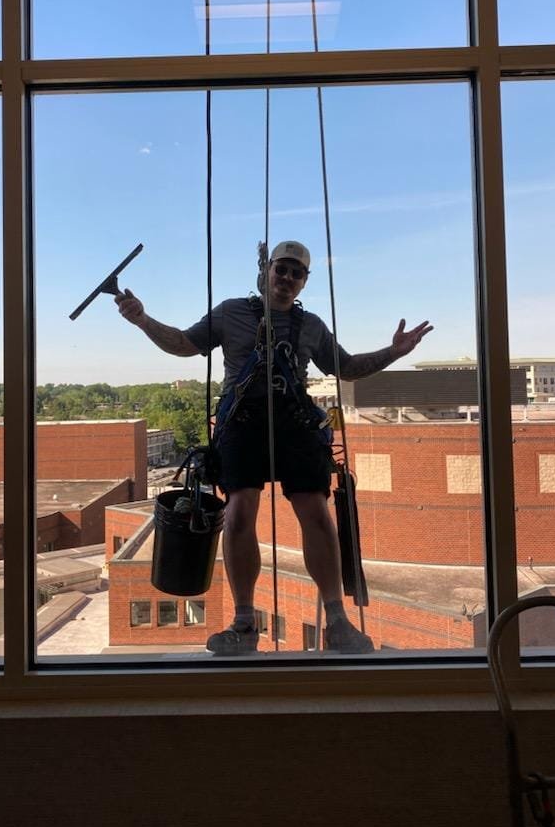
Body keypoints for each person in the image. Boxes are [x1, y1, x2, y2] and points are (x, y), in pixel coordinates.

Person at [115, 240, 432, 655]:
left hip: (294, 423)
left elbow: (347, 367)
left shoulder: (311, 326)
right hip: (243, 423)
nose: (287, 278)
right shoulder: (231, 312)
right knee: (239, 513)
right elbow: (184, 343)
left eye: (296, 273)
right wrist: (142, 319)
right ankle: (244, 623)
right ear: (265, 272)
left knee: (316, 514)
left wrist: (394, 351)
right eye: (281, 269)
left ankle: (337, 620)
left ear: (304, 282)